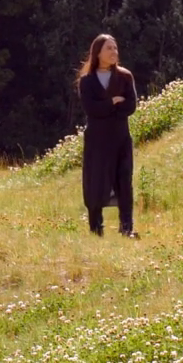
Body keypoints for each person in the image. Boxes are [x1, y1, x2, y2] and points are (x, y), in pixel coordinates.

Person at [77, 33, 138, 238]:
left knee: (124, 180)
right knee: (95, 181)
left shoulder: (125, 77)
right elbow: (91, 109)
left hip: (121, 138)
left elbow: (130, 106)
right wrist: (112, 102)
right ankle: (96, 229)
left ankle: (127, 227)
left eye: (115, 48)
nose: (114, 52)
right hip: (97, 140)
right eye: (109, 48)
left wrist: (108, 109)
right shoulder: (87, 81)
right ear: (98, 53)